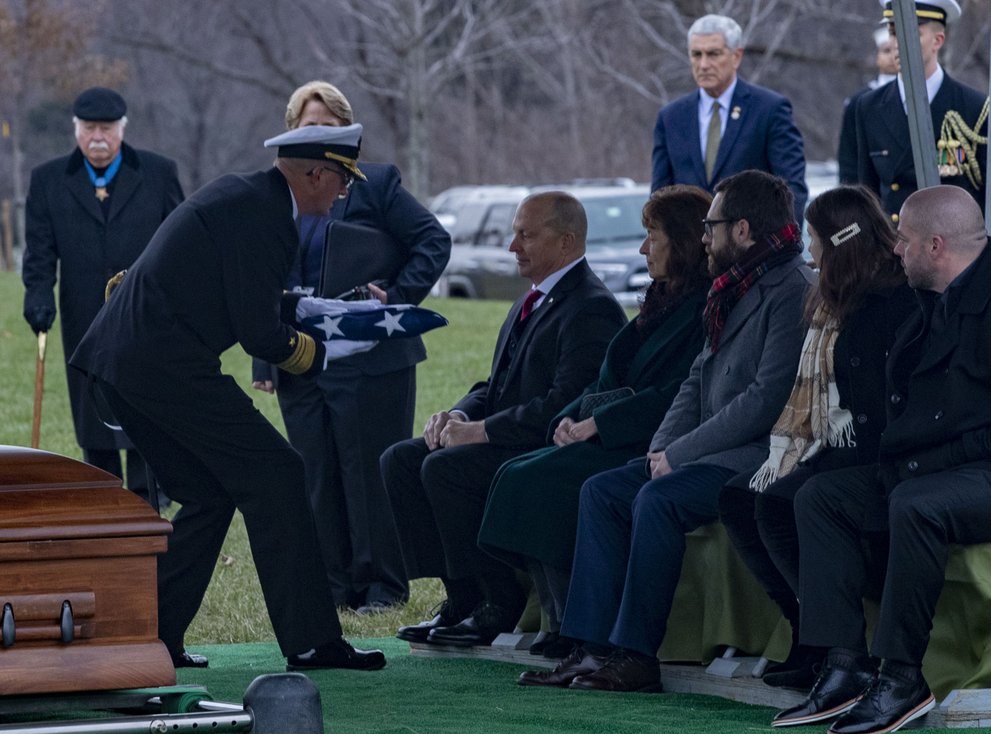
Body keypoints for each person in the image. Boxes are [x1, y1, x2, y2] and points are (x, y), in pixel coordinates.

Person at [68, 124, 386, 672]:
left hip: (128, 365)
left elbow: (238, 289)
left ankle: (151, 637)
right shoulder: (264, 216)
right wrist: (331, 351)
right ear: (315, 173)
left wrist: (328, 308)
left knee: (209, 494)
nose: (341, 193)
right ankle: (313, 642)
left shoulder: (248, 197)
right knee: (279, 473)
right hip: (163, 369)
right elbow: (259, 332)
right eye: (340, 180)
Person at [774, 185, 991, 734]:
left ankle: (902, 676)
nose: (896, 250)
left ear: (936, 246)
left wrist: (940, 458)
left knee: (916, 504)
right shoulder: (929, 305)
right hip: (948, 471)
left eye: (906, 240)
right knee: (821, 497)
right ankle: (845, 664)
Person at [518, 170, 814, 693]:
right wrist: (661, 448)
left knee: (658, 499)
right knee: (603, 490)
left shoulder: (788, 288)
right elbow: (698, 377)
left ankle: (635, 655)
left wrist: (680, 453)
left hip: (757, 455)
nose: (705, 237)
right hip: (704, 449)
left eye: (712, 226)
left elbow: (764, 400)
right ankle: (589, 647)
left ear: (742, 229)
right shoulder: (735, 286)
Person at [475, 185, 712, 660]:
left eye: (653, 236)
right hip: (609, 432)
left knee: (536, 479)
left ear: (681, 241)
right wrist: (569, 419)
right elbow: (605, 374)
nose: (644, 249)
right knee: (518, 472)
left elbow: (681, 393)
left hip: (647, 439)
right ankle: (557, 618)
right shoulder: (660, 301)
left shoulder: (703, 307)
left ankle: (574, 629)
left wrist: (599, 423)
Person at [382, 192, 626, 648]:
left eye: (526, 235)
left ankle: (498, 601)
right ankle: (461, 596)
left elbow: (564, 404)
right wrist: (458, 412)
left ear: (567, 241)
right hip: (506, 437)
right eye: (515, 234)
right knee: (400, 459)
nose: (513, 246)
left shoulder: (591, 306)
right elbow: (496, 385)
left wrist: (479, 431)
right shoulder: (531, 299)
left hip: (542, 447)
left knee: (445, 468)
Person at [250, 81, 450, 614]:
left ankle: (383, 586)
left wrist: (397, 301)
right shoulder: (276, 194)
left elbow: (433, 241)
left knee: (366, 474)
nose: (320, 141)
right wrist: (263, 354)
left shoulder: (376, 184)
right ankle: (334, 587)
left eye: (331, 129)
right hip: (298, 350)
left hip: (369, 354)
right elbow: (261, 276)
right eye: (308, 130)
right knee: (315, 473)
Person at [717, 185, 916, 691]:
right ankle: (806, 628)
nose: (809, 253)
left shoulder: (892, 301)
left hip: (874, 454)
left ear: (840, 240)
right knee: (743, 495)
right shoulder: (840, 301)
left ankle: (838, 648)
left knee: (784, 500)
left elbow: (876, 406)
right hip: (836, 445)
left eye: (815, 240)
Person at [22, 87, 183, 502]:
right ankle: (101, 489)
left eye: (106, 129)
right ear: (76, 129)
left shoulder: (159, 173)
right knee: (92, 395)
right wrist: (38, 294)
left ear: (121, 130)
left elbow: (181, 243)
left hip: (144, 309)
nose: (98, 137)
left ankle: (152, 488)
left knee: (145, 396)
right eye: (89, 128)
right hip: (83, 311)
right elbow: (39, 252)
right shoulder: (48, 180)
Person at [853, 0, 991, 254]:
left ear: (938, 40)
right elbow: (862, 197)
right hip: (892, 258)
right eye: (893, 32)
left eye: (912, 32)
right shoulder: (869, 106)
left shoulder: (975, 108)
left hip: (955, 262)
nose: (898, 42)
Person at [651, 14, 808, 222]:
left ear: (736, 56)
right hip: (689, 250)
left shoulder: (769, 109)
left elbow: (792, 190)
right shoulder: (671, 117)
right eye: (696, 54)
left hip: (752, 248)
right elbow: (660, 198)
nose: (704, 64)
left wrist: (778, 246)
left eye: (713, 54)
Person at [838, 27, 900, 185]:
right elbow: (849, 155)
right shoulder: (859, 101)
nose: (892, 56)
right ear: (877, 57)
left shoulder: (918, 96)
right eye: (886, 50)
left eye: (896, 50)